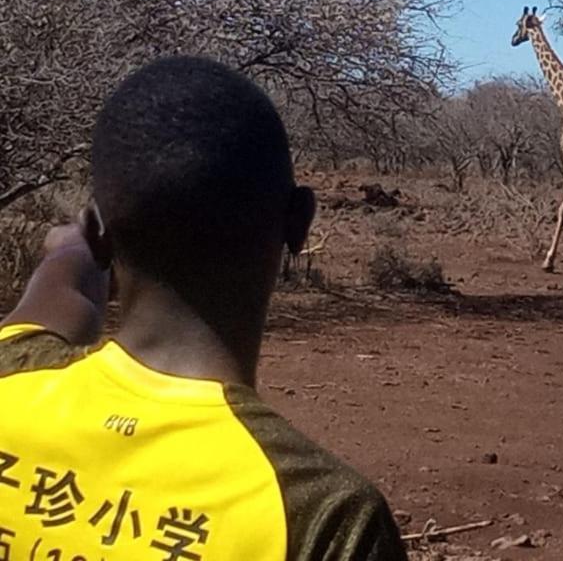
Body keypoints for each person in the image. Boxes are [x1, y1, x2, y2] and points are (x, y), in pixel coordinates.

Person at [0, 56, 407, 560]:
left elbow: (60, 293)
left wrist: (80, 247)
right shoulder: (327, 513)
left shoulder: (11, 373)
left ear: (99, 233)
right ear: (300, 224)